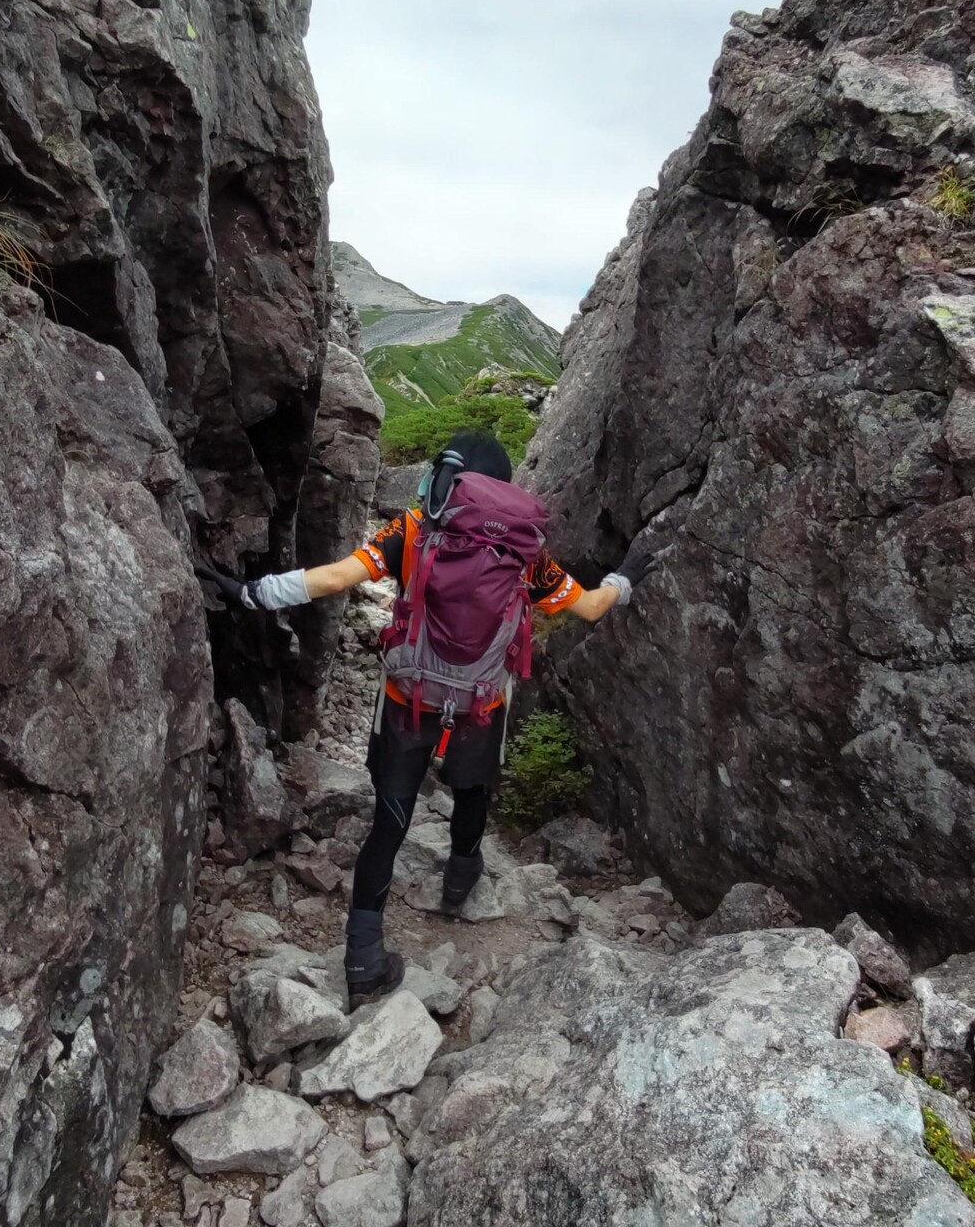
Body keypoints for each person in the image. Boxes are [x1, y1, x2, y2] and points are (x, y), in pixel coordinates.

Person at [200, 428, 659, 1009]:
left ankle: (364, 958)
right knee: (472, 795)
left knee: (390, 823)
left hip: (405, 698)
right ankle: (461, 877)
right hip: (481, 706)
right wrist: (624, 579)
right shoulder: (525, 552)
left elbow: (336, 578)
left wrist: (251, 593)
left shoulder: (413, 530)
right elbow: (590, 607)